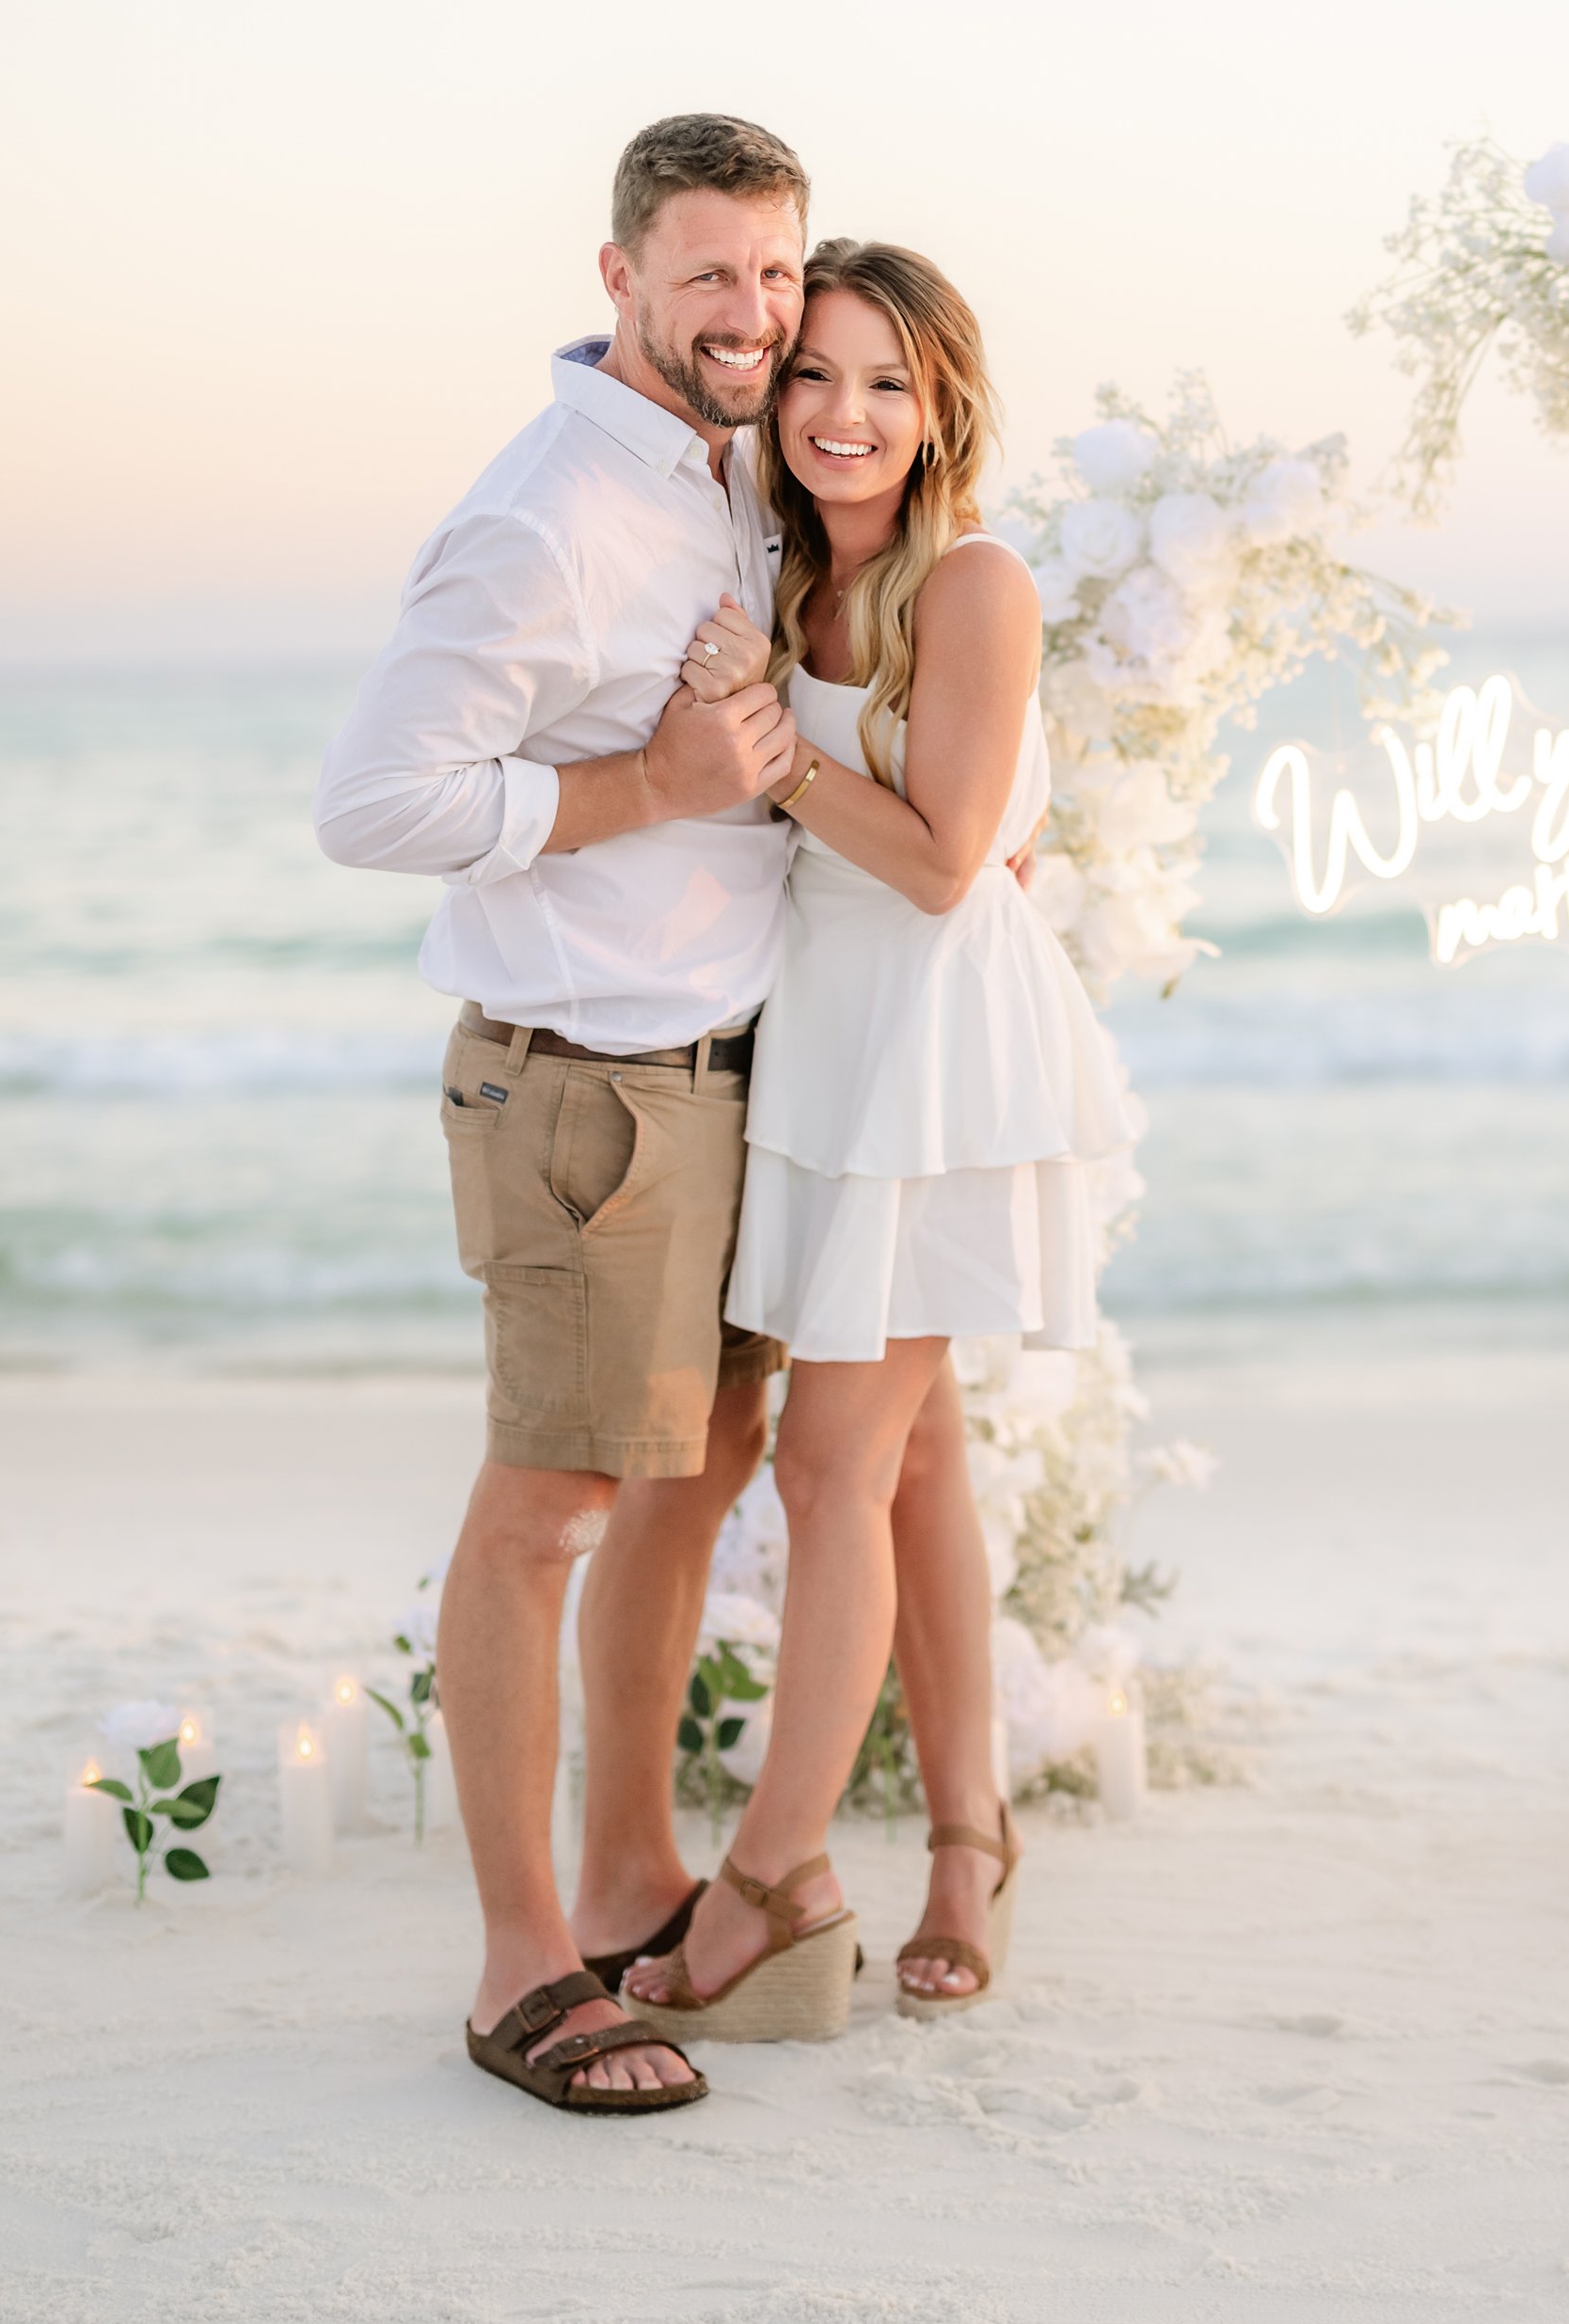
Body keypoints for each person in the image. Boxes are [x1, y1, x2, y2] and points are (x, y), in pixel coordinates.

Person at [314, 111, 815, 2111]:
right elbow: (373, 803)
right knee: (548, 1513)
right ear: (616, 278)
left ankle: (626, 1875)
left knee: (694, 1477)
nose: (751, 315)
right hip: (584, 1088)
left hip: (725, 1067)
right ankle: (521, 1968)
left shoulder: (735, 474)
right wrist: (648, 792)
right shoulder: (546, 515)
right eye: (706, 274)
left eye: (774, 273)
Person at [626, 238, 1137, 2038]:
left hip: (938, 1051)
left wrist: (772, 755)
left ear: (942, 413)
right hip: (826, 1038)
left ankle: (772, 1879)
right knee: (911, 1468)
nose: (844, 415)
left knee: (833, 1469)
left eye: (886, 384)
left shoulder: (974, 585)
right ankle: (970, 1839)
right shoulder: (783, 582)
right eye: (818, 375)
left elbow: (939, 860)